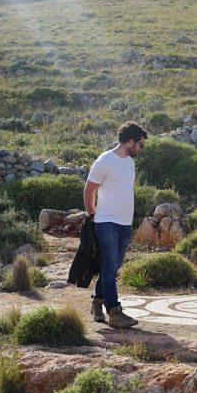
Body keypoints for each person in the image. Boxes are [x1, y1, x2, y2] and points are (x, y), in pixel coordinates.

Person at [83, 121, 147, 329]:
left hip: (125, 224)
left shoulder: (129, 162)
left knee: (112, 267)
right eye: (140, 144)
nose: (141, 148)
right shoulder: (104, 161)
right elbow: (89, 190)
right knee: (110, 268)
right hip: (107, 222)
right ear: (130, 141)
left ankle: (96, 302)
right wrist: (92, 214)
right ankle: (115, 312)